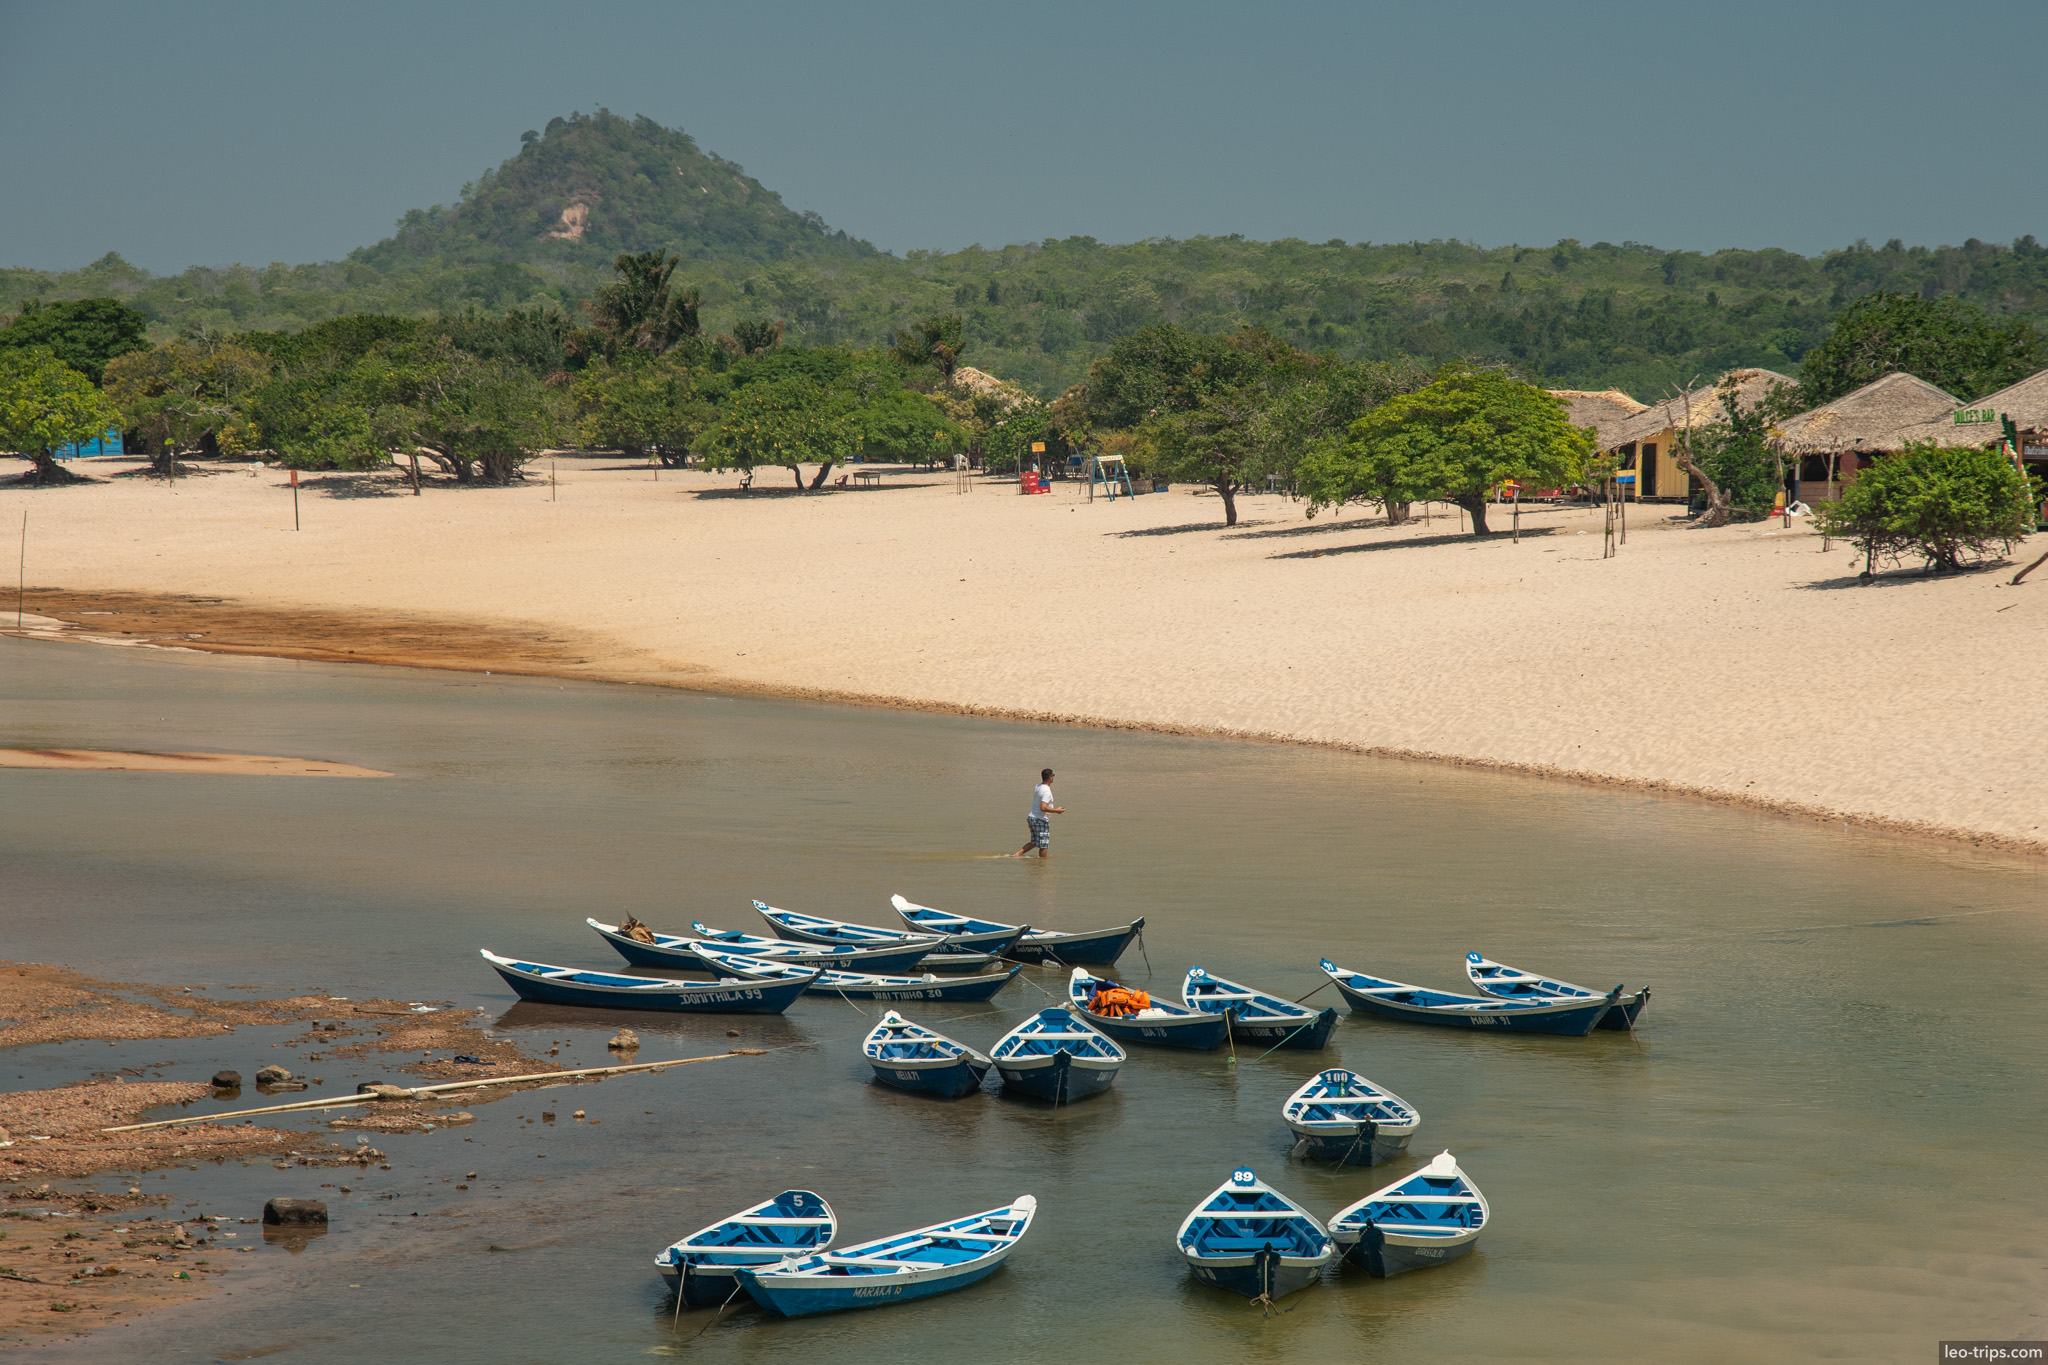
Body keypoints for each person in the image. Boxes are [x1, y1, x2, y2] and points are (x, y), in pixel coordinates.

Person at [1015, 768, 1064, 858]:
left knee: (1035, 842)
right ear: (1050, 778)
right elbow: (1043, 808)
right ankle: (1042, 865)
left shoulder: (1038, 786)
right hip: (1040, 819)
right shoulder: (1046, 791)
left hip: (1032, 818)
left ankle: (1017, 855)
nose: (1053, 777)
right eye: (1053, 775)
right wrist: (1057, 810)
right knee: (1044, 844)